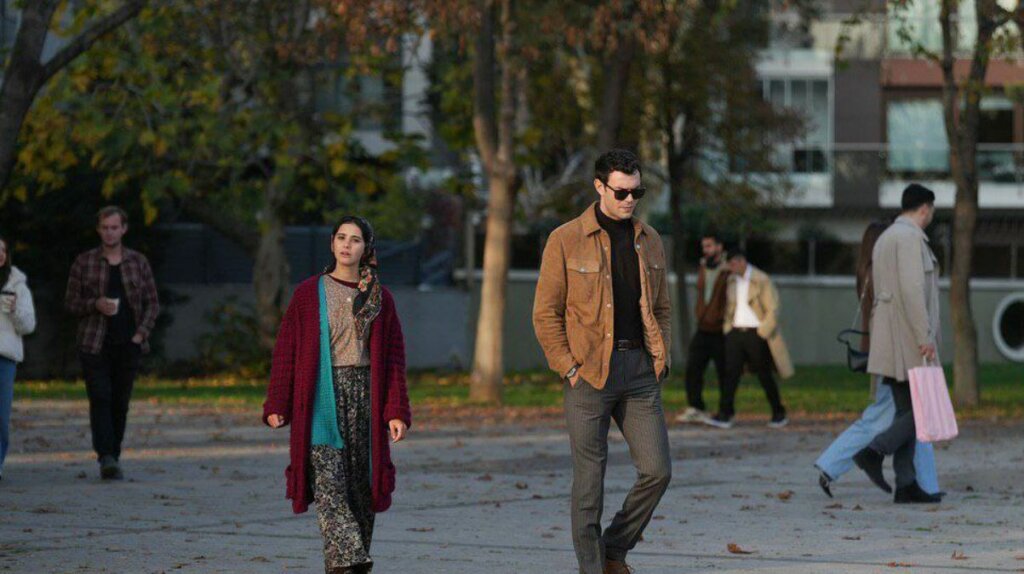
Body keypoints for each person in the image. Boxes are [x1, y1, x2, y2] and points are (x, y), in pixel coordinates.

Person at [533, 149, 672, 574]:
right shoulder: (565, 239)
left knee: (657, 471)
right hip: (588, 373)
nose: (630, 200)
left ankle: (613, 550)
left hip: (639, 371)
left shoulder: (650, 239)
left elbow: (662, 308)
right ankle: (592, 569)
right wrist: (568, 366)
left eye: (637, 192)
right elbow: (545, 313)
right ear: (599, 187)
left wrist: (661, 356)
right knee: (589, 484)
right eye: (621, 192)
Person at [264, 215, 412, 574]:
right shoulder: (307, 294)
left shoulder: (380, 298)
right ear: (332, 244)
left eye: (355, 239)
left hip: (365, 396)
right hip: (321, 398)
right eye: (341, 237)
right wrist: (278, 403)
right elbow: (286, 350)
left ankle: (345, 565)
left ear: (367, 248)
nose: (347, 244)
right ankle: (351, 557)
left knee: (360, 487)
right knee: (328, 484)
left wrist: (395, 410)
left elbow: (393, 358)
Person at [814, 220, 942, 498]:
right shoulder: (880, 274)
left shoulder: (867, 272)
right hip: (890, 354)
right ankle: (837, 463)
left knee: (908, 416)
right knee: (889, 417)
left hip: (884, 352)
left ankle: (922, 484)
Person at [853, 184, 943, 504]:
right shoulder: (909, 239)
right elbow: (912, 291)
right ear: (925, 208)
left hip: (891, 337)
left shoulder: (887, 237)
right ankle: (874, 451)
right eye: (932, 210)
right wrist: (924, 337)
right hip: (907, 338)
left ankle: (906, 484)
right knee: (923, 411)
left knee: (907, 410)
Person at [65, 206, 160, 480]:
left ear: (124, 229)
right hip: (94, 343)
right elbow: (70, 303)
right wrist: (95, 304)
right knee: (100, 397)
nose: (110, 233)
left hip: (129, 343)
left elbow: (153, 303)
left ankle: (113, 454)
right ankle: (105, 456)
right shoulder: (84, 262)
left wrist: (140, 334)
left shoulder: (138, 262)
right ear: (99, 230)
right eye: (105, 228)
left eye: (114, 227)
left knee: (120, 402)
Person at [704, 250, 793, 429]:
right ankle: (725, 413)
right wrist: (728, 329)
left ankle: (778, 412)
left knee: (763, 373)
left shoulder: (761, 279)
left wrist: (762, 332)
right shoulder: (732, 280)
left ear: (741, 261)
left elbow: (773, 309)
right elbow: (729, 306)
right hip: (735, 332)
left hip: (756, 333)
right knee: (731, 373)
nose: (731, 268)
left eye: (733, 264)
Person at [676, 232, 729, 424]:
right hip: (703, 328)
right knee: (693, 368)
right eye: (704, 246)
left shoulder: (729, 270)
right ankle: (696, 407)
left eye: (709, 246)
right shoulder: (704, 267)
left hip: (721, 329)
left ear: (719, 247)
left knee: (724, 372)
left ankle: (725, 412)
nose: (705, 250)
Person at [0, 235, 36, 481]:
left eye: (2, 250)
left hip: (5, 357)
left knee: (1, 416)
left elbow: (28, 325)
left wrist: (14, 311)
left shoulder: (18, 286)